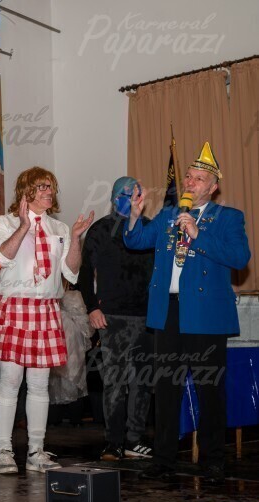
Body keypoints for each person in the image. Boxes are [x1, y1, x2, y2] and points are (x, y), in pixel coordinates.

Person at [125, 142, 250, 485]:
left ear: (213, 187)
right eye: (189, 177)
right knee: (166, 388)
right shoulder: (167, 215)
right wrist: (134, 215)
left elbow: (239, 258)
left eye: (198, 179)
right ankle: (163, 458)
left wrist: (198, 234)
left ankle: (213, 459)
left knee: (210, 389)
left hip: (206, 314)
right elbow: (136, 241)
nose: (190, 183)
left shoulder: (228, 217)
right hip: (169, 311)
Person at [0, 166, 93, 475]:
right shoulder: (6, 222)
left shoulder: (58, 228)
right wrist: (23, 226)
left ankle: (36, 451)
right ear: (27, 191)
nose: (50, 191)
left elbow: (71, 272)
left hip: (47, 308)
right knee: (10, 382)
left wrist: (75, 238)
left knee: (39, 385)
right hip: (14, 306)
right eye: (43, 186)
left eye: (51, 187)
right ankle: (3, 451)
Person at [78, 176, 154, 461]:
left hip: (146, 317)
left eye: (136, 193)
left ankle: (134, 440)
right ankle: (113, 442)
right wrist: (91, 308)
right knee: (114, 381)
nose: (132, 198)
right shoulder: (100, 230)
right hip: (112, 317)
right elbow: (85, 273)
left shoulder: (149, 227)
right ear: (114, 197)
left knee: (143, 381)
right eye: (126, 194)